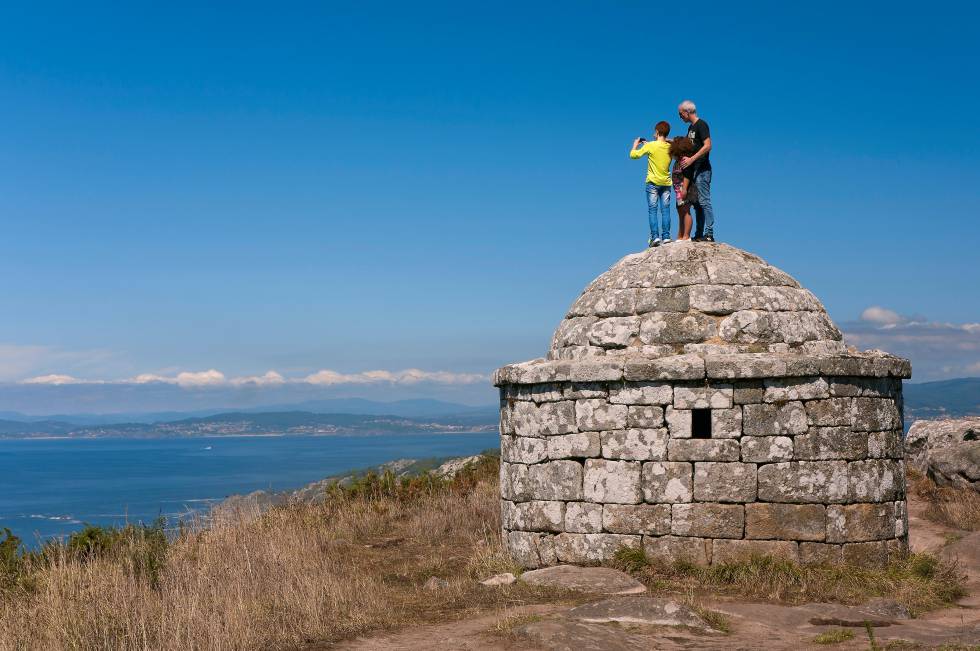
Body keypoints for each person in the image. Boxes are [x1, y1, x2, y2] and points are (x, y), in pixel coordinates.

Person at [629, 121, 673, 247]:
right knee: (665, 211)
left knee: (652, 210)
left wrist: (635, 145)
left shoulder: (651, 146)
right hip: (666, 183)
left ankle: (655, 237)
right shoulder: (670, 148)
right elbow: (664, 149)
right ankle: (666, 236)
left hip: (653, 183)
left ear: (657, 132)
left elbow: (633, 155)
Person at [677, 100, 715, 242]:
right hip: (694, 170)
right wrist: (664, 140)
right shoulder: (691, 129)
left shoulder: (701, 125)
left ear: (687, 112)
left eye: (680, 114)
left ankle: (709, 233)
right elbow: (683, 143)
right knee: (697, 203)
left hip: (703, 169)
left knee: (704, 200)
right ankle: (699, 234)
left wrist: (692, 159)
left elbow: (708, 145)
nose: (680, 117)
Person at [669, 137, 697, 242]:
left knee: (686, 211)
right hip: (678, 192)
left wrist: (684, 189)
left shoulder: (685, 160)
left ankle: (686, 235)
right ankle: (680, 235)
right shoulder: (677, 162)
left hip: (685, 190)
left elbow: (687, 175)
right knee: (680, 212)